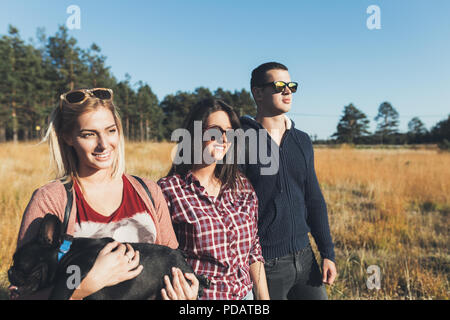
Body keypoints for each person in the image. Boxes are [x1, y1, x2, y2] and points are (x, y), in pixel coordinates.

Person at [10, 87, 198, 300]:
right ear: (68, 137)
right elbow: (21, 295)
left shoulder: (148, 191)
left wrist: (186, 295)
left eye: (110, 131)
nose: (103, 144)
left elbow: (171, 264)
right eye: (88, 134)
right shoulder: (52, 199)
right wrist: (82, 287)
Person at [240, 62, 337, 300]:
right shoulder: (241, 140)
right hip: (266, 264)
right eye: (279, 85)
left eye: (291, 86)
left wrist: (327, 252)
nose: (287, 91)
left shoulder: (302, 140)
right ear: (258, 92)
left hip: (305, 257)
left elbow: (313, 199)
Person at [157, 98, 270, 300]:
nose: (224, 139)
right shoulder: (169, 190)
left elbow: (253, 249)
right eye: (215, 131)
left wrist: (264, 299)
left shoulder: (241, 186)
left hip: (246, 296)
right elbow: (161, 259)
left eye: (230, 132)